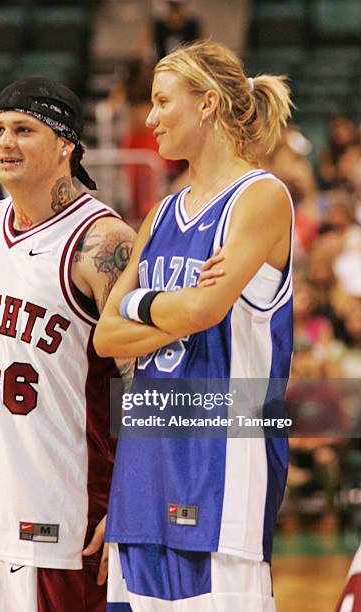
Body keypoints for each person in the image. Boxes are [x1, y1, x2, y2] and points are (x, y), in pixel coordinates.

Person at [94, 40, 294, 610]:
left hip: (221, 463)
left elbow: (205, 312)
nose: (150, 117)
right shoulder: (160, 212)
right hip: (144, 462)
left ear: (207, 104)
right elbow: (106, 336)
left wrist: (140, 304)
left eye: (161, 101)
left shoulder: (260, 197)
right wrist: (171, 305)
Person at [0, 77, 136, 612]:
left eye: (24, 129)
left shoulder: (104, 242)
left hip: (63, 520)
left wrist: (134, 496)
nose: (4, 143)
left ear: (66, 145)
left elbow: (143, 377)